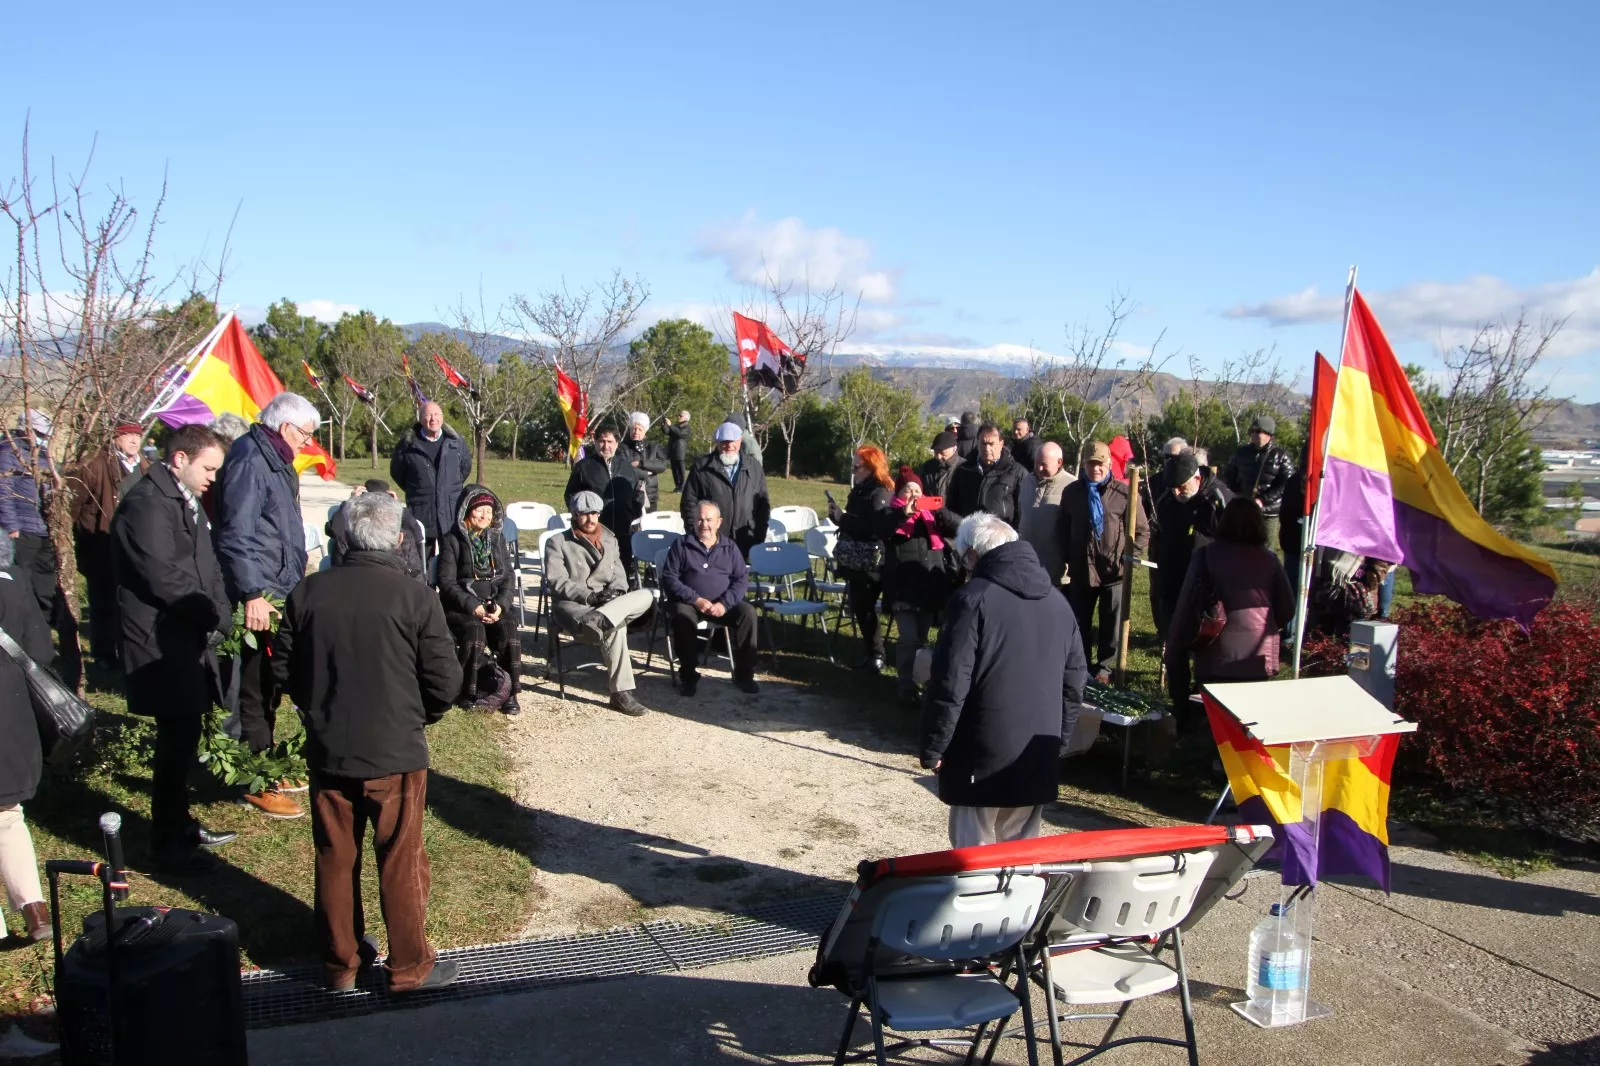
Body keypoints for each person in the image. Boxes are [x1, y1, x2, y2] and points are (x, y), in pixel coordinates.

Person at [271, 492, 463, 995]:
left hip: (331, 747)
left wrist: (319, 710)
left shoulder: (307, 594)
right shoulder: (414, 597)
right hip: (395, 751)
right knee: (400, 856)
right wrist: (421, 716)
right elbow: (445, 680)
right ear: (399, 540)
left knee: (335, 857)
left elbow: (284, 670)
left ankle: (341, 966)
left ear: (343, 537)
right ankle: (410, 967)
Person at [112, 424, 239, 872]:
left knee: (184, 735)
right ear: (180, 460)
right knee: (174, 741)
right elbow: (164, 576)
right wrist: (210, 614)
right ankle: (166, 841)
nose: (213, 478)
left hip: (187, 633)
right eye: (208, 468)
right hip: (161, 638)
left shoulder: (186, 500)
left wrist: (221, 608)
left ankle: (180, 821)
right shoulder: (146, 506)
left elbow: (209, 565)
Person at [921, 513, 1087, 849]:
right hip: (1034, 753)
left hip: (979, 751)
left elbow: (951, 682)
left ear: (972, 555)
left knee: (973, 855)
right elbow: (1074, 684)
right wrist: (1057, 742)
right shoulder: (1058, 603)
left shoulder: (971, 600)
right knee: (1021, 855)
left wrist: (935, 746)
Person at [215, 391, 319, 820]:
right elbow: (236, 534)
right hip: (258, 596)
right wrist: (253, 593)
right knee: (253, 686)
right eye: (306, 436)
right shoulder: (251, 460)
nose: (307, 444)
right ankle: (253, 777)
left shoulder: (274, 460)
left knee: (271, 682)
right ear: (285, 428)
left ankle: (266, 758)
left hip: (278, 588)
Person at [1164, 498, 1294, 728]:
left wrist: (1176, 653)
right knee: (1252, 728)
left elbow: (1185, 607)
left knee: (1217, 728)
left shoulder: (1205, 556)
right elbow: (1287, 609)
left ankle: (1215, 760)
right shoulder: (1270, 560)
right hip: (1257, 658)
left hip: (1215, 654)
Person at [544, 491, 655, 716]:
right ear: (573, 515)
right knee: (616, 627)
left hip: (607, 605)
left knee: (646, 595)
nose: (591, 519)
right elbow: (557, 582)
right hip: (576, 606)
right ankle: (620, 694)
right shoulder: (557, 542)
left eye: (594, 513)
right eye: (584, 514)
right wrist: (590, 597)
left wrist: (616, 593)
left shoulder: (610, 539)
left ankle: (602, 618)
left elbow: (620, 576)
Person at [0, 532, 56, 941]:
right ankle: (35, 909)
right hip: (9, 714)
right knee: (8, 817)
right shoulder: (15, 581)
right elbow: (41, 651)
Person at [0, 409, 79, 687]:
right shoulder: (8, 452)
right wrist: (12, 527)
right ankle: (24, 646)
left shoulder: (43, 456)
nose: (43, 439)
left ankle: (42, 641)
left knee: (45, 591)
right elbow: (4, 491)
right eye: (39, 434)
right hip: (21, 532)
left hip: (44, 530)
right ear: (25, 430)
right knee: (24, 589)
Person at [1061, 441, 1149, 682]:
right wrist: (1067, 557)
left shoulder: (1124, 493)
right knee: (1079, 622)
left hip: (1114, 571)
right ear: (1083, 464)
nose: (1095, 469)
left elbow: (1142, 530)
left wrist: (1130, 558)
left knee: (1111, 623)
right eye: (1090, 464)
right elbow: (1063, 528)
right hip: (1081, 570)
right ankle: (1080, 666)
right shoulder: (1072, 493)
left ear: (1109, 463)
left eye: (1100, 464)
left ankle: (1105, 669)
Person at [70, 417, 150, 668]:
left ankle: (129, 652)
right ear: (115, 437)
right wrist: (85, 532)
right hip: (102, 545)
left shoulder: (147, 467)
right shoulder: (94, 465)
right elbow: (70, 504)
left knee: (130, 603)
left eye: (137, 434)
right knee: (103, 602)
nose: (134, 439)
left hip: (137, 547)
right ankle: (104, 654)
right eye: (128, 435)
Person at [659, 500, 759, 696]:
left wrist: (724, 603)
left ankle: (744, 673)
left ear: (719, 522)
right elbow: (670, 578)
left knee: (748, 613)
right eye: (699, 519)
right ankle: (688, 675)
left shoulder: (730, 547)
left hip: (722, 605)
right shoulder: (682, 545)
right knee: (682, 616)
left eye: (709, 520)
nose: (704, 524)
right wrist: (696, 599)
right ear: (693, 521)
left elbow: (741, 580)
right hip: (689, 603)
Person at [436, 485, 520, 715]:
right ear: (466, 511)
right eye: (479, 510)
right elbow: (446, 582)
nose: (485, 516)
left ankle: (509, 692)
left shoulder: (497, 539)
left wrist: (501, 606)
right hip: (462, 605)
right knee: (475, 634)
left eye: (489, 512)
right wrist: (473, 606)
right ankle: (468, 692)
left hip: (493, 603)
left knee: (509, 630)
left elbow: (508, 577)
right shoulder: (452, 540)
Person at [880, 466, 953, 706]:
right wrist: (904, 513)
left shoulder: (931, 517)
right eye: (908, 489)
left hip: (929, 587)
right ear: (899, 493)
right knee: (909, 638)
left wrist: (939, 510)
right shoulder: (891, 513)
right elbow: (884, 530)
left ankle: (922, 683)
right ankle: (905, 685)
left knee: (922, 639)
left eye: (917, 489)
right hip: (903, 587)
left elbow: (957, 527)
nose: (913, 493)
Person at [1153, 449, 1232, 639]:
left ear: (1196, 479)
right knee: (1173, 632)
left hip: (1209, 580)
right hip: (1174, 574)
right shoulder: (1166, 500)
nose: (1176, 492)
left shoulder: (1219, 499)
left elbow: (1235, 541)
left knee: (1204, 636)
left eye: (1181, 486)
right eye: (1172, 487)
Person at [829, 446, 893, 672]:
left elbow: (873, 527)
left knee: (864, 606)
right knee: (860, 605)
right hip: (858, 560)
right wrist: (840, 518)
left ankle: (877, 654)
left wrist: (842, 519)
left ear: (871, 467)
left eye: (857, 466)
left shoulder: (880, 492)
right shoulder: (861, 488)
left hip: (872, 561)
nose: (853, 470)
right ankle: (873, 652)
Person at [390, 401, 474, 564]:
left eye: (436, 414)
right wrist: (420, 489)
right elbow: (397, 473)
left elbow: (465, 468)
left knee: (450, 562)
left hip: (450, 513)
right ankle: (426, 589)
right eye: (428, 415)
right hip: (421, 511)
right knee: (421, 563)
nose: (433, 418)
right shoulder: (407, 444)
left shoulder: (456, 442)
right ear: (420, 419)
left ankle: (446, 590)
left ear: (442, 418)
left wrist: (445, 488)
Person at [680, 422, 771, 557]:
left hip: (746, 539)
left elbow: (763, 505)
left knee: (741, 577)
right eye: (724, 442)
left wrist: (759, 536)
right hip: (711, 540)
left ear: (740, 441)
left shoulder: (754, 467)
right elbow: (689, 503)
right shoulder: (701, 467)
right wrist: (697, 532)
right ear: (717, 442)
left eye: (733, 441)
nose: (729, 446)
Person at [565, 424, 644, 576]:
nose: (606, 445)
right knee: (597, 573)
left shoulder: (626, 466)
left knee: (623, 573)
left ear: (616, 444)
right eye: (602, 441)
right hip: (594, 532)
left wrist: (633, 511)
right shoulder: (584, 467)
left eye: (610, 441)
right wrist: (582, 517)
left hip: (622, 532)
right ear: (595, 442)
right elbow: (570, 496)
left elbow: (637, 493)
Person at [1223, 415, 1294, 554]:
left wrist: (1263, 500)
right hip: (1244, 508)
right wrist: (1237, 495)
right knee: (1241, 546)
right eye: (1252, 431)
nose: (1254, 435)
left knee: (1266, 551)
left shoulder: (1281, 455)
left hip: (1268, 512)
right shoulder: (1242, 452)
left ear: (1269, 434)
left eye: (1258, 431)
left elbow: (1286, 484)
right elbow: (1229, 474)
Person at [327, 479, 426, 580]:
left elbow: (417, 534)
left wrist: (348, 504)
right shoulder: (404, 537)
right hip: (396, 583)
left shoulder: (348, 535)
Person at [1143, 437, 1188, 631]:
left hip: (1184, 543)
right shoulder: (1155, 482)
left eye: (1173, 457)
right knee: (1157, 587)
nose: (1168, 461)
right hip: (1159, 541)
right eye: (1165, 457)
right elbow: (1144, 511)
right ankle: (1162, 629)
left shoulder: (1190, 480)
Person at [944, 423, 1026, 530]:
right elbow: (952, 505)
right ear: (977, 443)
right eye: (983, 443)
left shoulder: (1016, 472)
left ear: (1001, 444)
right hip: (970, 536)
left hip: (1002, 537)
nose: (987, 448)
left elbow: (1023, 511)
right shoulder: (963, 470)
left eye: (991, 444)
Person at [1017, 441, 1073, 588]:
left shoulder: (1072, 487)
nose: (1039, 468)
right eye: (1036, 463)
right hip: (1027, 569)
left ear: (1059, 462)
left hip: (1056, 574)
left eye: (1044, 464)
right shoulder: (1027, 482)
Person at [621, 412, 670, 512]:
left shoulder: (653, 447)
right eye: (634, 429)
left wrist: (640, 464)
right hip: (629, 493)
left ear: (645, 431)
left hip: (650, 494)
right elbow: (623, 468)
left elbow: (662, 465)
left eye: (640, 429)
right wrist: (646, 472)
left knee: (650, 524)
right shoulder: (623, 447)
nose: (636, 432)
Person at [919, 430, 961, 500]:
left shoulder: (965, 467)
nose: (938, 457)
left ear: (954, 449)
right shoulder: (927, 467)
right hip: (929, 510)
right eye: (936, 452)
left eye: (942, 452)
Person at [665, 410, 693, 492]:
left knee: (680, 470)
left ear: (686, 418)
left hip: (680, 451)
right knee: (674, 470)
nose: (678, 417)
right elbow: (667, 432)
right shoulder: (676, 426)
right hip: (673, 450)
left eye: (681, 416)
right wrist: (664, 425)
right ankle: (677, 486)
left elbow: (679, 433)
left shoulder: (687, 428)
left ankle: (682, 487)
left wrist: (670, 426)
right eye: (679, 415)